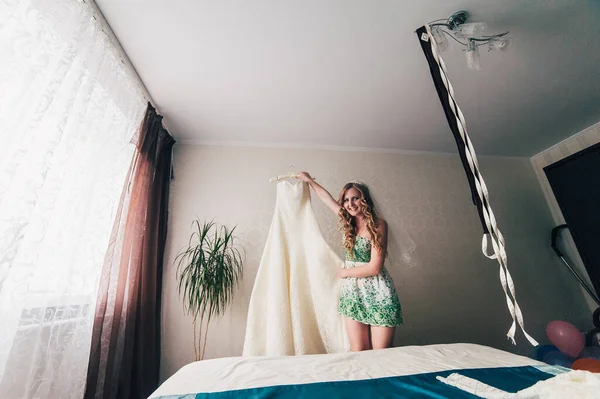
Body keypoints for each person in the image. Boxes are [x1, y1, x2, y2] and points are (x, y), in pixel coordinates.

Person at [296, 172, 403, 351]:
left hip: (379, 291)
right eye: (346, 200)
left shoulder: (379, 225)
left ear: (365, 200)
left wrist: (344, 272)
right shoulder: (348, 221)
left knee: (382, 353)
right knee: (358, 351)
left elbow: (375, 268)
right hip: (353, 292)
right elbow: (326, 198)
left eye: (355, 198)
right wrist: (309, 181)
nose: (350, 204)